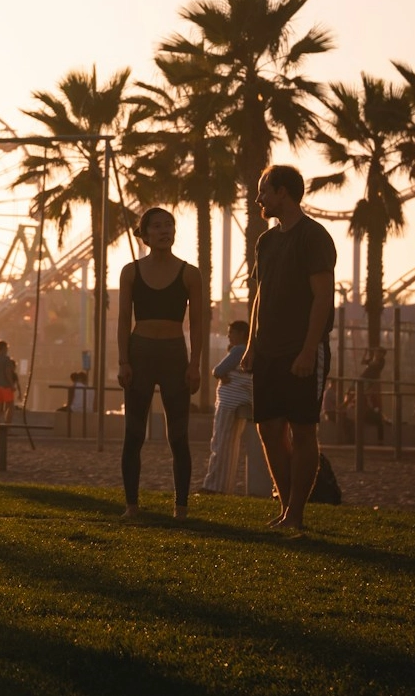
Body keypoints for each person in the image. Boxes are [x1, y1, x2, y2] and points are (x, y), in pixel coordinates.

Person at [241, 164, 336, 535]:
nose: (258, 198)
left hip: (301, 350)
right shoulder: (267, 240)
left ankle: (296, 512)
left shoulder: (314, 237)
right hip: (267, 351)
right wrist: (251, 345)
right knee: (268, 429)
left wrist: (308, 350)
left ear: (283, 192)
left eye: (264, 190)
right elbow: (259, 296)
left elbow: (323, 298)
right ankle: (283, 507)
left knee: (303, 430)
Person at [116, 207, 206, 519]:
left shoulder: (189, 273)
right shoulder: (130, 272)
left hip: (173, 353)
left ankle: (181, 508)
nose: (164, 230)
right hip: (140, 352)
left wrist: (195, 365)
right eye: (157, 226)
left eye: (169, 225)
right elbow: (123, 319)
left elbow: (198, 324)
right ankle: (131, 506)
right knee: (134, 433)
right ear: (145, 233)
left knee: (178, 435)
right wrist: (123, 361)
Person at [201, 320, 253, 494]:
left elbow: (217, 370)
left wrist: (221, 375)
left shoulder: (239, 350)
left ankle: (213, 486)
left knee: (220, 443)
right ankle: (223, 486)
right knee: (231, 445)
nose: (228, 335)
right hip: (243, 400)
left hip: (228, 401)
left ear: (242, 334)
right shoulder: (251, 351)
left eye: (231, 332)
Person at [0, 340, 21, 424]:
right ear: (4, 348)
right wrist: (11, 385)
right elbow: (7, 372)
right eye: (7, 348)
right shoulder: (6, 359)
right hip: (6, 387)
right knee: (11, 406)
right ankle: (7, 425)